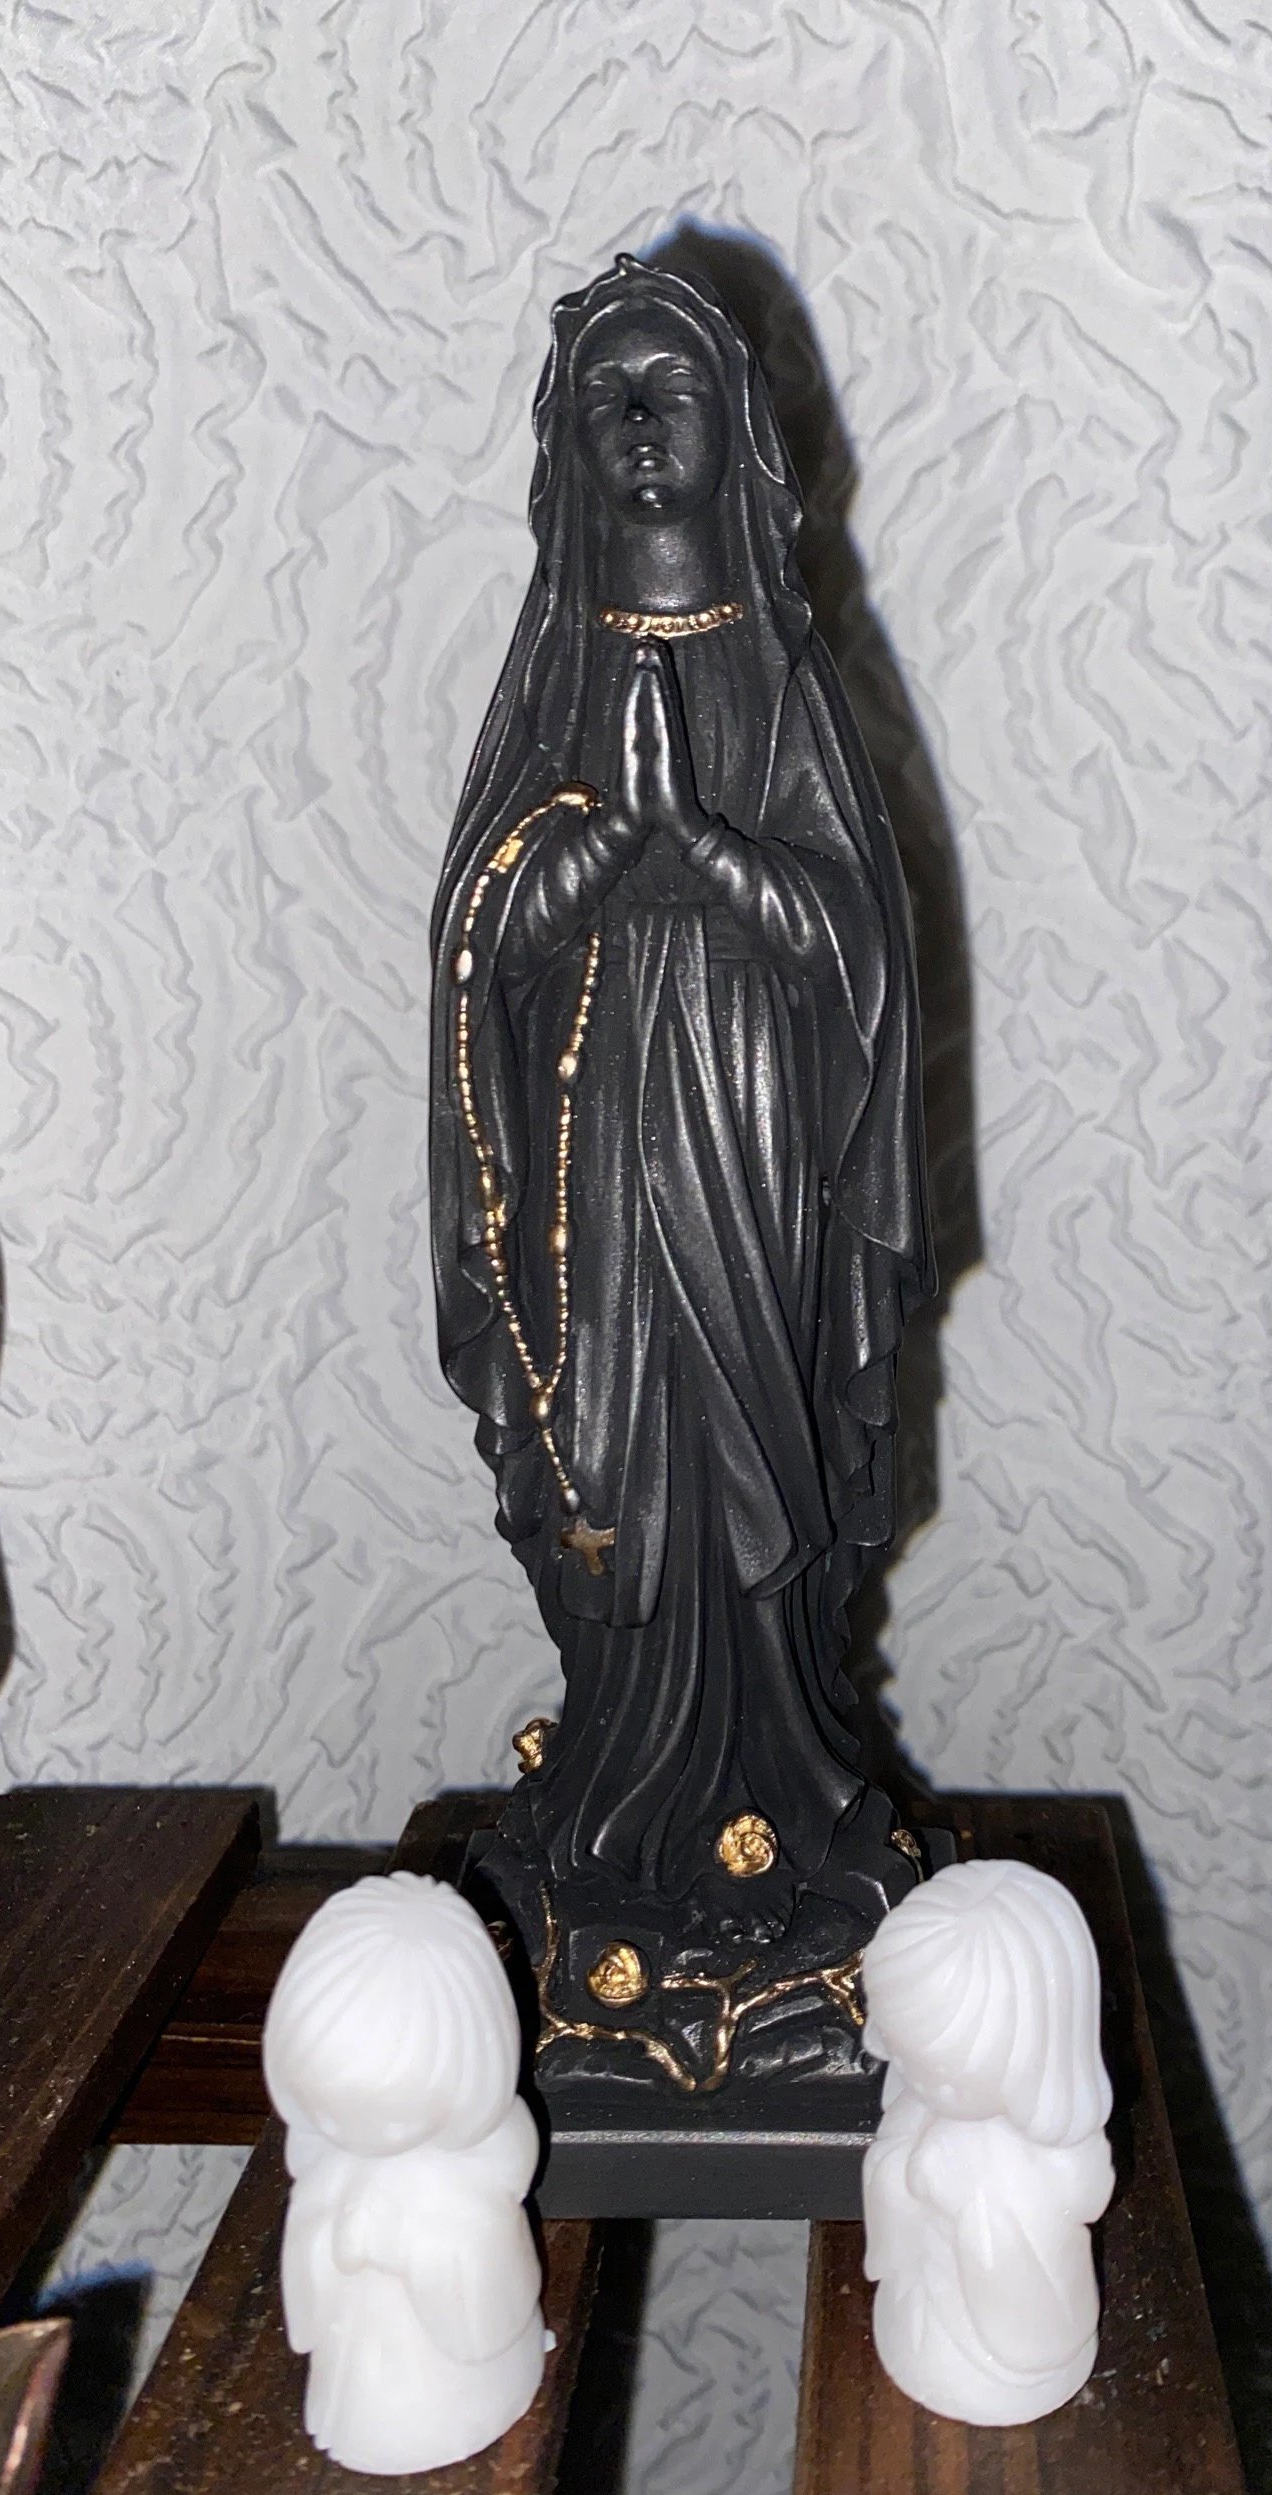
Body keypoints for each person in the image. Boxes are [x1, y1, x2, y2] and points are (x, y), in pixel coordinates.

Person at [430, 257, 931, 2073]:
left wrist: (707, 856)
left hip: (757, 1145)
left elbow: (862, 949)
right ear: (565, 445)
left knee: (753, 1458)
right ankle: (623, 1782)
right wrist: (583, 862)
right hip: (593, 1162)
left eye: (676, 392)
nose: (642, 426)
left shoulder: (779, 682)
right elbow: (473, 946)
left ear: (739, 436)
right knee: (620, 1466)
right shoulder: (551, 680)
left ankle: (780, 1780)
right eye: (608, 397)